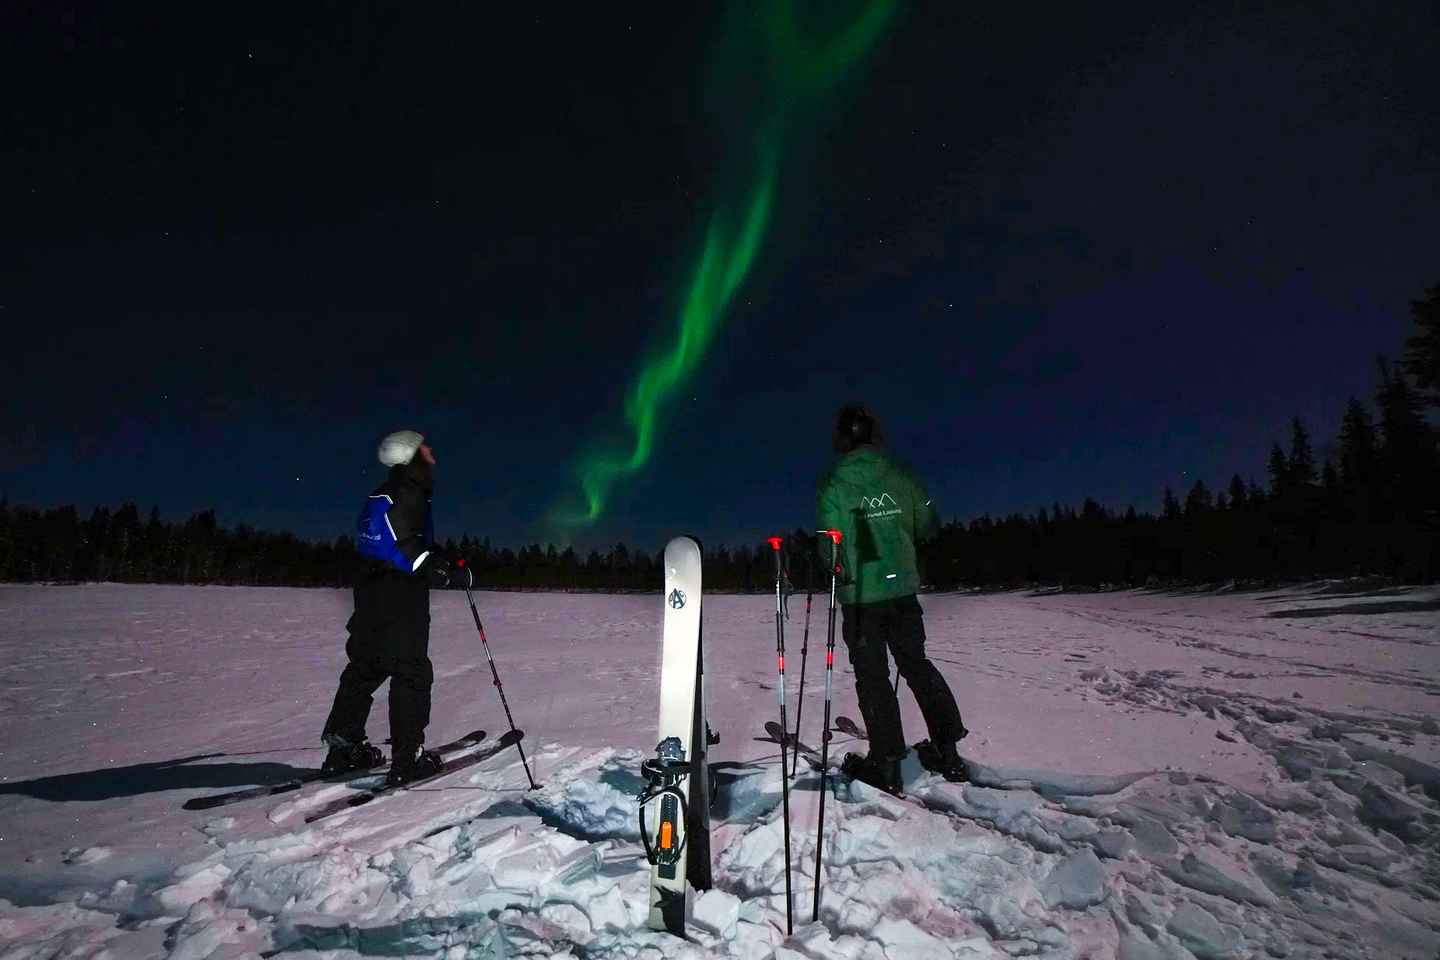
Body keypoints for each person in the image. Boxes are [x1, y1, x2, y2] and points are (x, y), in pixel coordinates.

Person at [816, 403, 968, 792]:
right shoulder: (901, 475)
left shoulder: (834, 483)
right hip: (901, 592)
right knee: (915, 664)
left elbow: (828, 544)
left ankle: (886, 763)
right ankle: (947, 749)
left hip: (862, 598)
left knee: (873, 677)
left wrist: (836, 566)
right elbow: (928, 522)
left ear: (842, 438)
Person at [320, 429, 472, 786]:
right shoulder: (407, 491)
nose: (432, 454)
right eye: (426, 449)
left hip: (371, 595)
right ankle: (407, 759)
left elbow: (387, 542)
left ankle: (344, 749)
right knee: (411, 672)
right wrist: (440, 569)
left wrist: (441, 560)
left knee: (365, 668)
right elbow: (402, 544)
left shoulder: (384, 492)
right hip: (400, 598)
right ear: (412, 455)